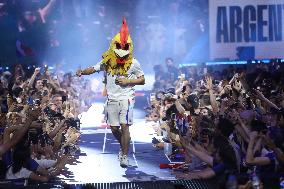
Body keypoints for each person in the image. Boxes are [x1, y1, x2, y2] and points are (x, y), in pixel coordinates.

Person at [76, 18, 145, 168]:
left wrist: (128, 82)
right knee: (114, 128)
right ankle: (124, 146)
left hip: (127, 98)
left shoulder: (134, 63)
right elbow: (93, 68)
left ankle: (125, 155)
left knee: (124, 126)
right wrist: (82, 72)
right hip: (112, 99)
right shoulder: (107, 61)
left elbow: (142, 80)